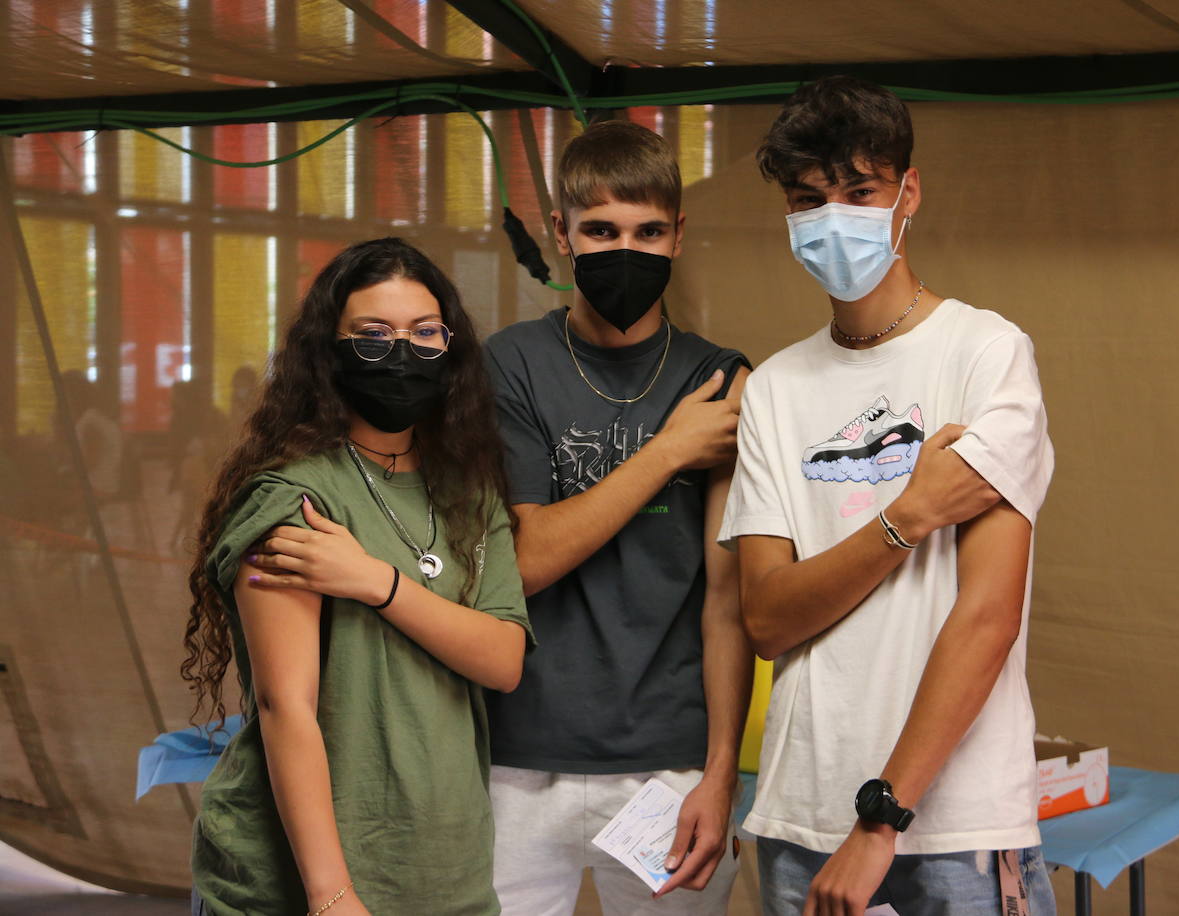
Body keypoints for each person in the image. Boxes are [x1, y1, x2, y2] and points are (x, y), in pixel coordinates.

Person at [720, 76, 1057, 915]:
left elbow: (987, 618)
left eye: (859, 191)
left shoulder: (986, 354)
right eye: (809, 199)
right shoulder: (776, 387)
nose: (834, 217)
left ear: (909, 191)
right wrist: (907, 515)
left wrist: (883, 820)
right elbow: (767, 618)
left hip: (951, 825)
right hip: (802, 815)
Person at [181, 237, 532, 916]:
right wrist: (331, 894)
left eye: (424, 333)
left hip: (443, 877)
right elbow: (289, 709)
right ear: (328, 352)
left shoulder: (468, 492)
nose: (403, 353)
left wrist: (378, 582)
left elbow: (503, 659)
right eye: (373, 336)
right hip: (308, 884)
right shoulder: (295, 497)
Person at [482, 119, 753, 913]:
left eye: (647, 231)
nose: (624, 250)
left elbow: (727, 602)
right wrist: (669, 452)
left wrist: (721, 769)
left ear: (677, 237)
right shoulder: (511, 363)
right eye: (600, 229)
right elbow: (527, 558)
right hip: (519, 757)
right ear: (560, 232)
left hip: (671, 765)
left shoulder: (721, 378)